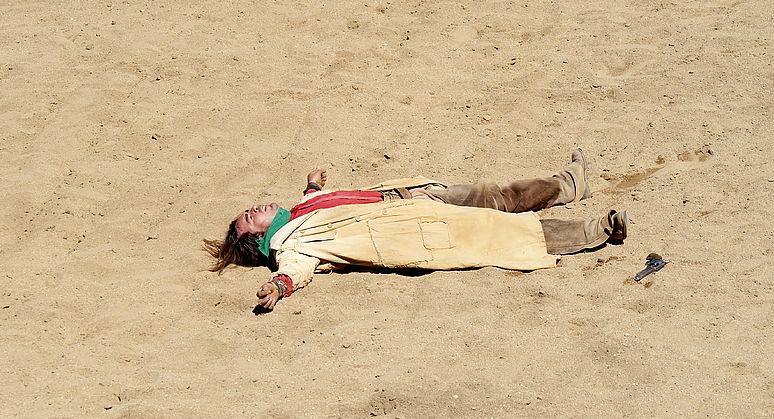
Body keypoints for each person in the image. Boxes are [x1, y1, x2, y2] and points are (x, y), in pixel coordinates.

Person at [203, 149, 628, 310]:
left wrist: (313, 183)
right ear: (258, 238)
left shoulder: (300, 209)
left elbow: (321, 200)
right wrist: (278, 287)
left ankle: (569, 184)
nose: (255, 208)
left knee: (494, 195)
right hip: (418, 230)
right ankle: (599, 230)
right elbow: (297, 270)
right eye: (250, 217)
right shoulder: (291, 245)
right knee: (502, 233)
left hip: (411, 198)